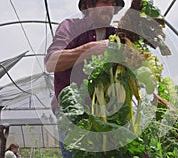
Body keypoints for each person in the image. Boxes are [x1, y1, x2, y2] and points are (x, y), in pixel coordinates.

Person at [45, 0, 124, 157]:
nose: (109, 7)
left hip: (107, 113)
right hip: (73, 111)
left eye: (112, 3)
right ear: (89, 5)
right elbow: (51, 63)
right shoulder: (71, 27)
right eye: (104, 2)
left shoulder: (117, 36)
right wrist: (91, 49)